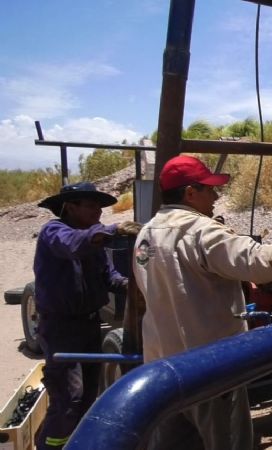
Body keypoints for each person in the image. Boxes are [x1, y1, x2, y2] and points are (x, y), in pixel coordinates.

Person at [133, 155, 272, 450]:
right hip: (210, 373)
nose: (216, 197)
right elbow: (258, 262)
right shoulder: (200, 232)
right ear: (190, 192)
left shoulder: (145, 235)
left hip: (162, 374)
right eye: (209, 189)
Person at [34, 182, 141, 449]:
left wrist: (134, 286)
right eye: (92, 206)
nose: (99, 212)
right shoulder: (54, 232)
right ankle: (51, 445)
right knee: (69, 397)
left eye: (100, 207)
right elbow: (72, 245)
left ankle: (76, 443)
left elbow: (109, 277)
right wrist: (112, 230)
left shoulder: (95, 243)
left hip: (89, 325)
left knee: (88, 396)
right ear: (70, 207)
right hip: (60, 329)